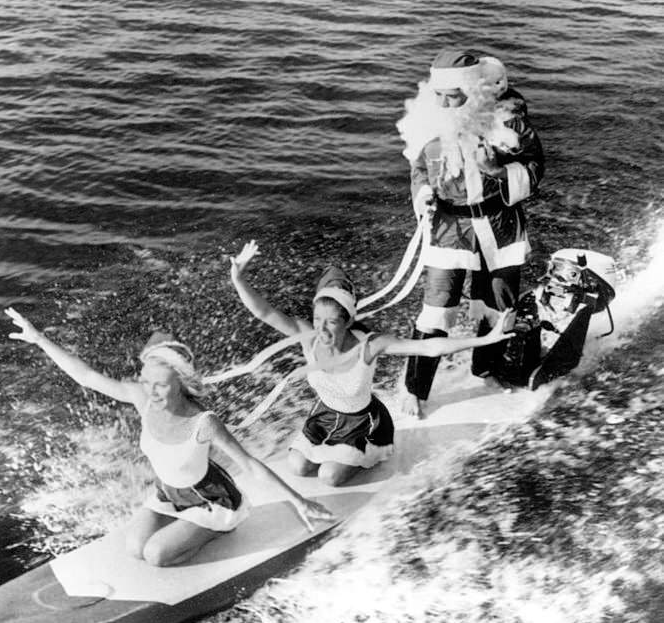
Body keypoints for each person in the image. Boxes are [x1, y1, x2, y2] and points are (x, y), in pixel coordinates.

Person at [4, 307, 333, 567]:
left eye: (160, 384)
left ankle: (218, 530)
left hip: (209, 499)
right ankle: (183, 531)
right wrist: (40, 339)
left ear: (182, 382)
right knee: (135, 549)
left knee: (156, 556)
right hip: (169, 494)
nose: (152, 391)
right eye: (147, 382)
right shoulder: (141, 398)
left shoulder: (203, 422)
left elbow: (250, 465)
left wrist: (299, 501)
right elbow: (87, 376)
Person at [228, 241, 514, 487]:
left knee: (329, 476)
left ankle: (373, 453)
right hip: (324, 417)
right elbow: (264, 312)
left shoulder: (369, 345)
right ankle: (333, 452)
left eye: (331, 322)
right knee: (298, 467)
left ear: (348, 320)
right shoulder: (308, 337)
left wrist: (486, 339)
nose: (322, 330)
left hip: (362, 424)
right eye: (317, 321)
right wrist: (239, 279)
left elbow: (428, 346)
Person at [396, 47, 545, 417]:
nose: (445, 104)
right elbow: (418, 169)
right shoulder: (426, 123)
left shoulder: (509, 124)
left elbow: (536, 167)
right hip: (450, 227)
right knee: (436, 309)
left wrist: (497, 170)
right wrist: (423, 193)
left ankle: (487, 369)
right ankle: (415, 389)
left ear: (473, 92)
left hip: (499, 225)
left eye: (454, 96)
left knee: (497, 303)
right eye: (440, 95)